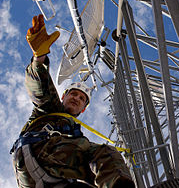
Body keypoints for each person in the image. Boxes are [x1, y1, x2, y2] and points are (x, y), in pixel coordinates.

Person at [10, 14, 135, 188]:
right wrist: (39, 58)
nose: (76, 98)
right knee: (104, 153)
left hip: (42, 179)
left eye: (82, 98)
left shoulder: (74, 135)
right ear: (63, 97)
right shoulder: (50, 109)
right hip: (38, 152)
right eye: (73, 94)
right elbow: (41, 89)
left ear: (83, 108)